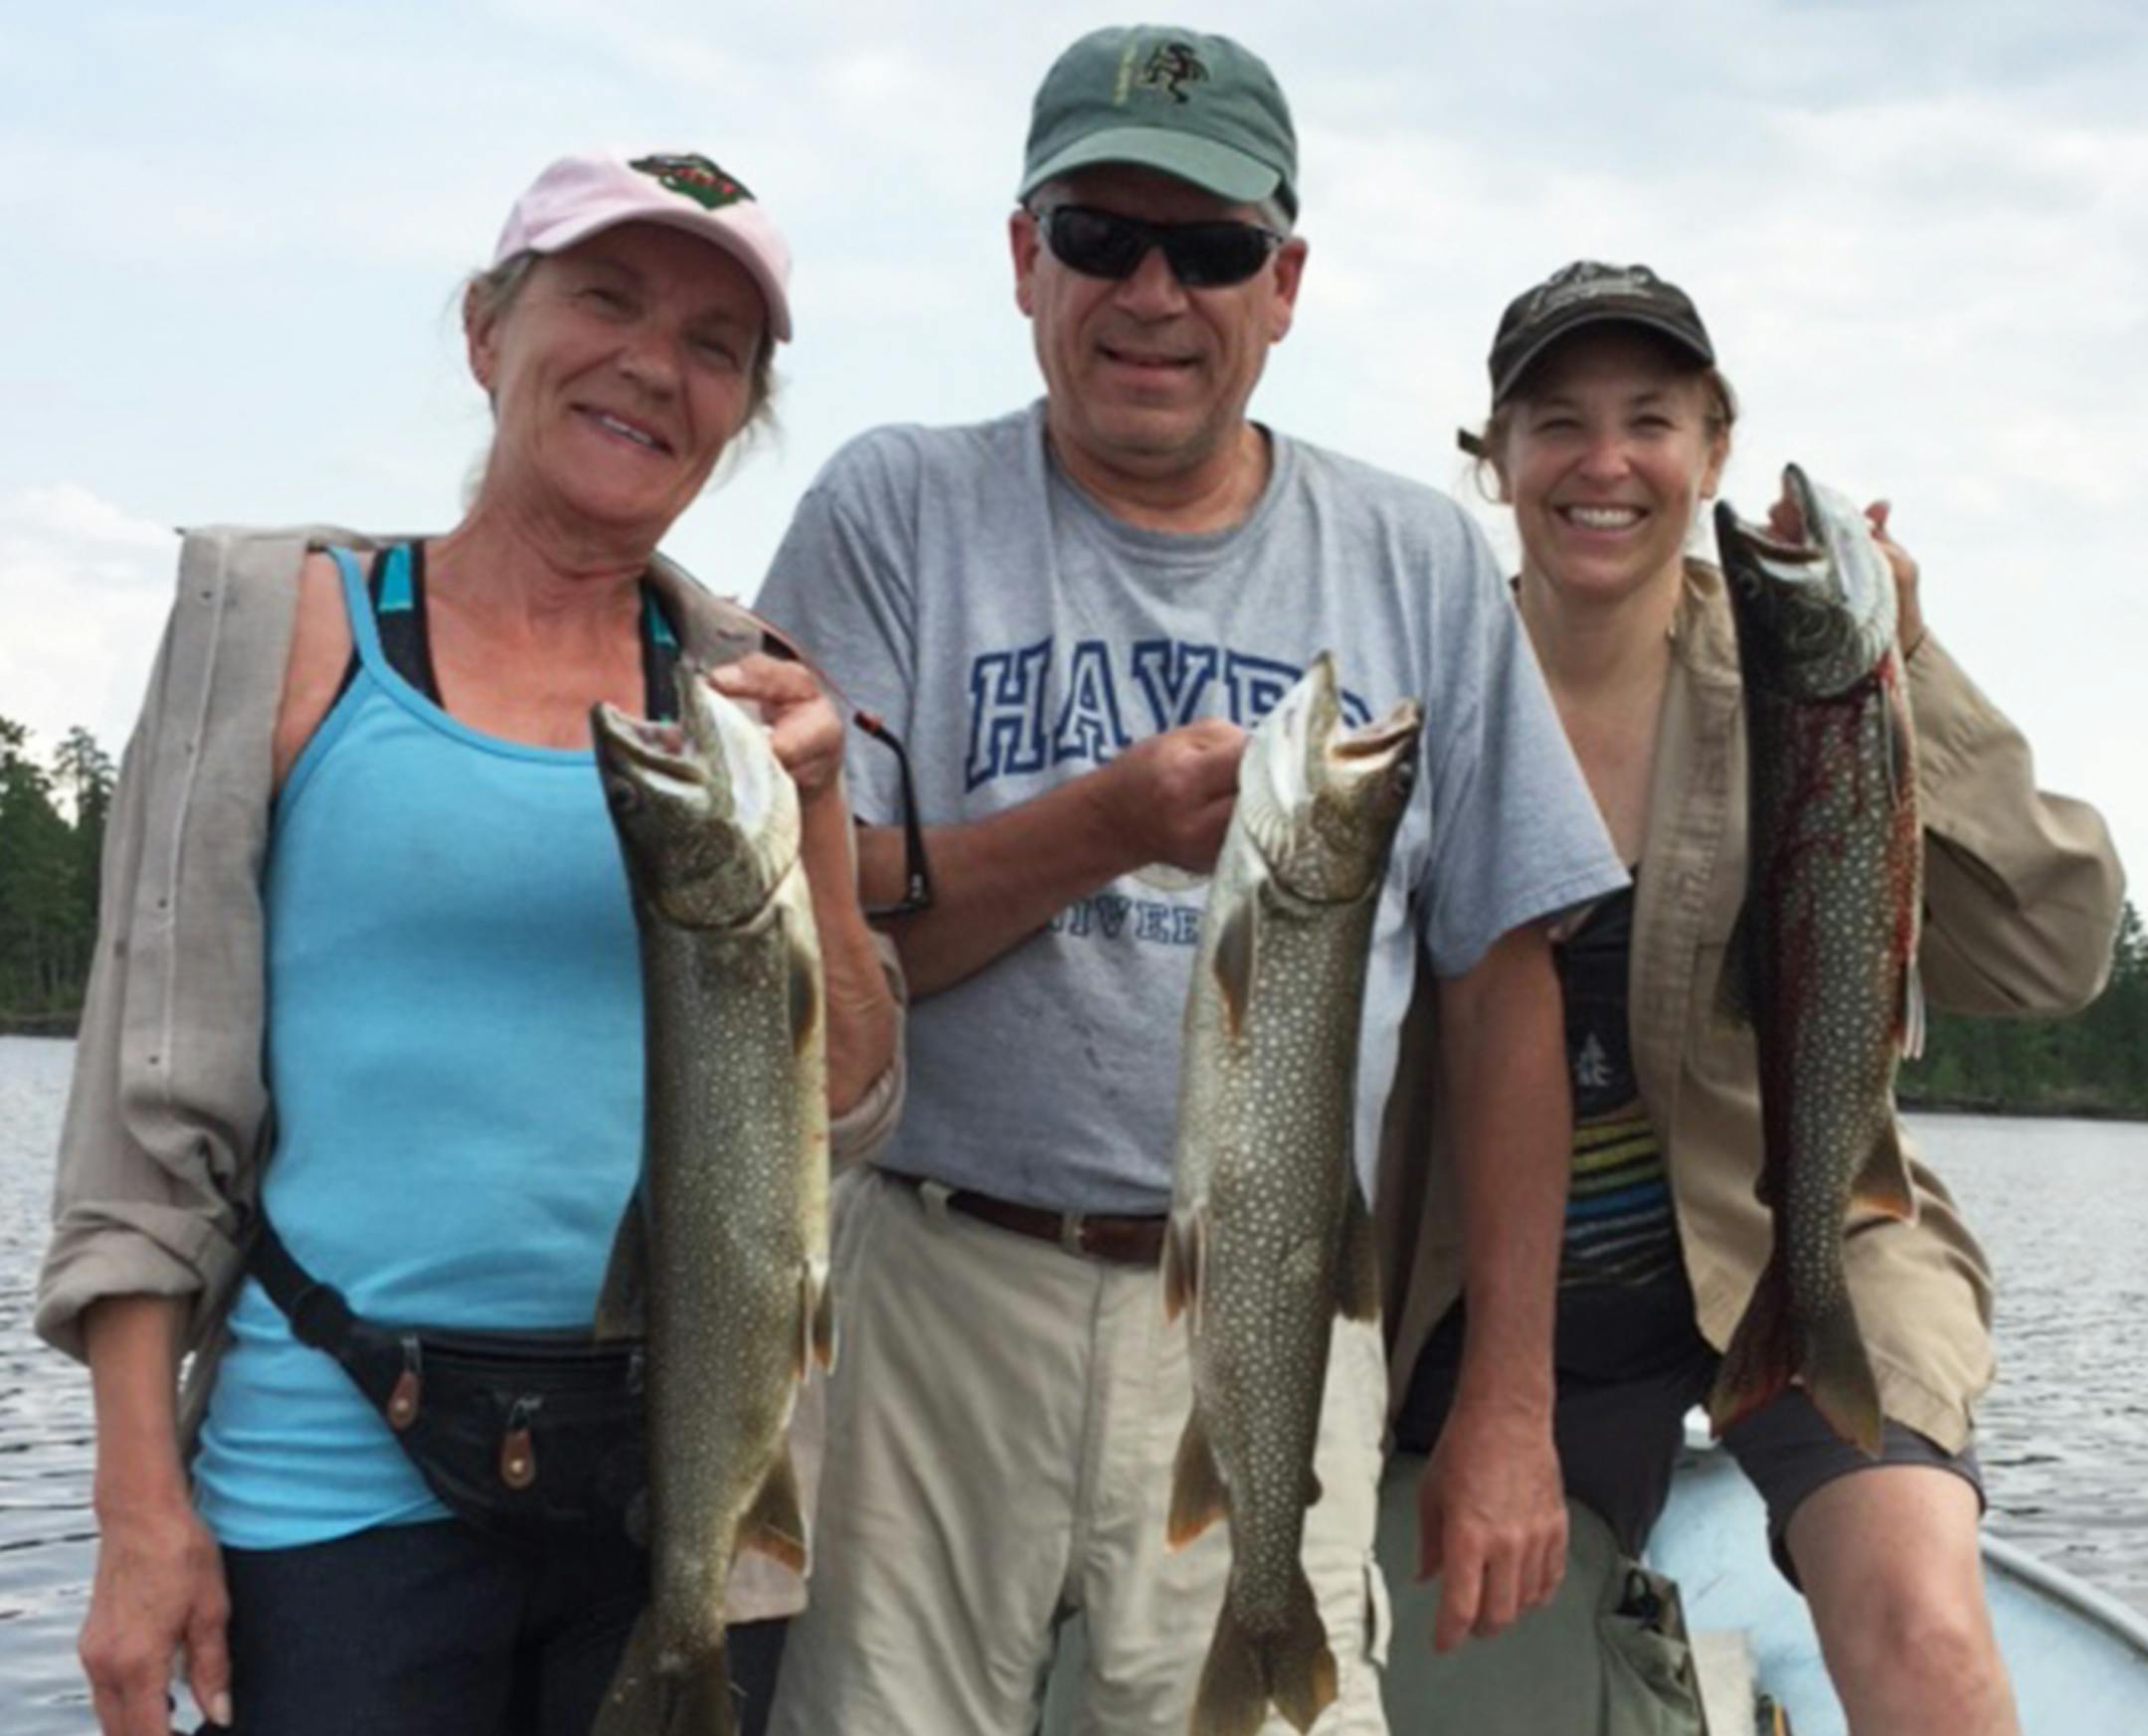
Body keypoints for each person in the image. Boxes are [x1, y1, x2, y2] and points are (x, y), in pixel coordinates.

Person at [750, 26, 1628, 1736]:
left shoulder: (1420, 559)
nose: (1154, 290)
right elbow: (819, 941)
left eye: (1213, 249)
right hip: (929, 1283)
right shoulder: (892, 508)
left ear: (1284, 283)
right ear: (1024, 259)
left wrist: (1510, 1399)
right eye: (1100, 236)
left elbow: (1504, 987)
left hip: (1282, 1297)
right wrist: (1108, 825)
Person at [35, 149, 903, 1736]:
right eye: (607, 298)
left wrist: (826, 826)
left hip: (691, 1490)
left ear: (741, 413)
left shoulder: (749, 685)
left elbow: (840, 1108)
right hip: (331, 1481)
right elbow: (149, 1116)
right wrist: (141, 1510)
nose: (656, 362)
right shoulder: (282, 621)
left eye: (718, 346)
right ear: (487, 331)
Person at [1375, 260, 2126, 1736]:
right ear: (1497, 460)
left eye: (1650, 418)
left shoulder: (1809, 674)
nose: (1605, 462)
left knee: (1922, 1622)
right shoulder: (1418, 685)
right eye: (1556, 422)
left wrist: (1903, 656)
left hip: (1806, 1235)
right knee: (1450, 1663)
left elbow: (2055, 951)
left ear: (1713, 449)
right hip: (1496, 1297)